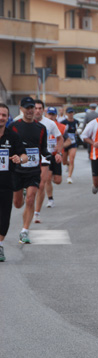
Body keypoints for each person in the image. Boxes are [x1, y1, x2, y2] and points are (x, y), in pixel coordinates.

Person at [11, 96, 50, 244]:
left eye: (31, 108)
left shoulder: (41, 128)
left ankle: (24, 231)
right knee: (17, 203)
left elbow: (44, 149)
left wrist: (52, 156)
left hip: (33, 169)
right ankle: (23, 193)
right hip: (17, 170)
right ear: (21, 109)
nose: (29, 111)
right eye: (26, 108)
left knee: (31, 198)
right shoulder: (14, 127)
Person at [0, 103, 27, 261]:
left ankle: (0, 246)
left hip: (6, 182)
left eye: (4, 115)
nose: (1, 118)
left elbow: (24, 156)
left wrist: (19, 159)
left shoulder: (13, 136)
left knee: (4, 216)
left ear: (8, 117)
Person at [33, 100, 63, 222]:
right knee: (19, 198)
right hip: (27, 158)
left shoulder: (50, 124)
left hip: (45, 157)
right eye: (36, 108)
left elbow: (60, 138)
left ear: (43, 110)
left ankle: (36, 213)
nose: (38, 110)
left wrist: (59, 152)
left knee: (41, 184)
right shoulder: (22, 122)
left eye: (40, 108)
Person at [45, 107, 67, 208]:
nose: (51, 116)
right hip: (46, 155)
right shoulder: (42, 125)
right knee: (48, 177)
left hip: (57, 155)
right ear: (46, 114)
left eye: (53, 115)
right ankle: (50, 199)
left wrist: (59, 148)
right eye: (49, 114)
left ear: (56, 116)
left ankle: (52, 176)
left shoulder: (61, 127)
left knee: (58, 181)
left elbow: (69, 140)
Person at [61, 107, 80, 183]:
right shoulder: (63, 122)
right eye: (69, 113)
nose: (70, 114)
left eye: (72, 112)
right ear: (66, 114)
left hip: (73, 143)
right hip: (65, 144)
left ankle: (69, 177)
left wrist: (78, 133)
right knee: (64, 162)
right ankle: (68, 164)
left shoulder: (76, 122)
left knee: (72, 159)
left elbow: (79, 130)